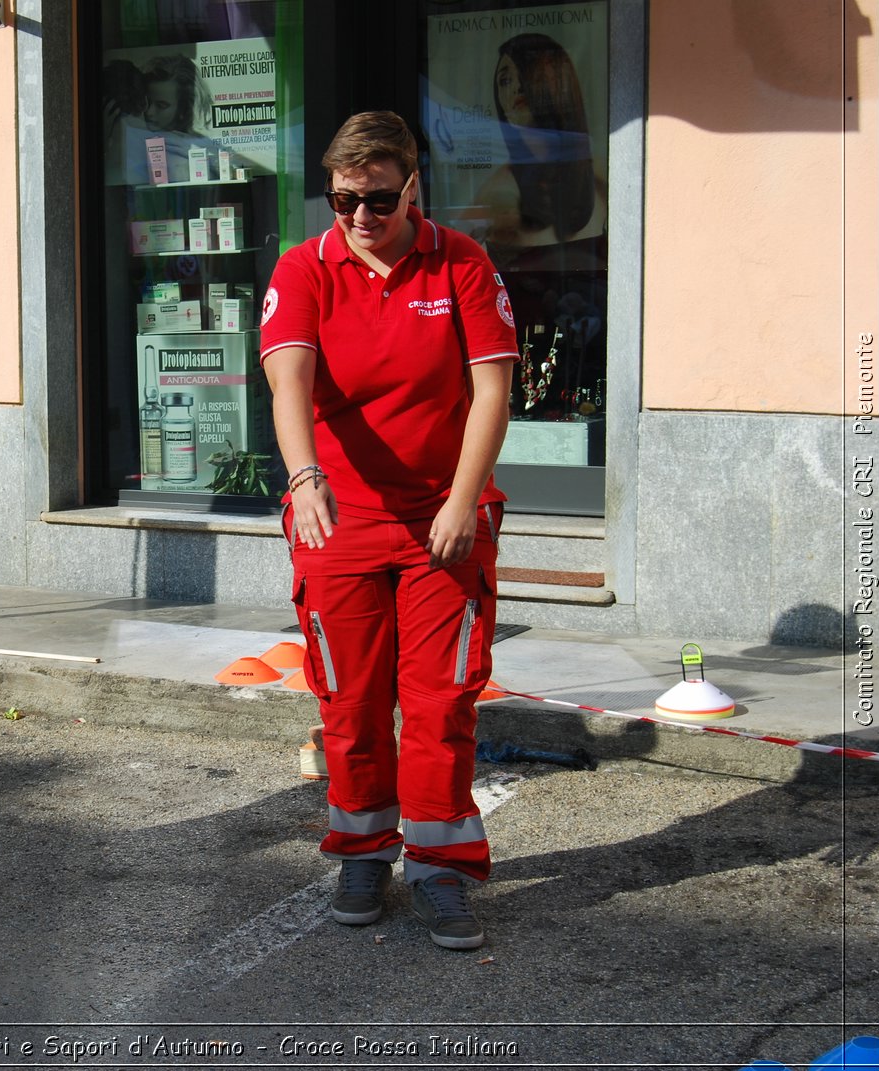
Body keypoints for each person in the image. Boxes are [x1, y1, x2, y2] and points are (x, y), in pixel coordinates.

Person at [259, 111, 517, 949]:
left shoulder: (462, 262)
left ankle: (441, 868)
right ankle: (363, 849)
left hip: (444, 518)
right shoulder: (305, 268)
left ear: (412, 187)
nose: (361, 218)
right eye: (342, 200)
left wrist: (462, 499)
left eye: (377, 199)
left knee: (442, 701)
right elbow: (287, 384)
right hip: (341, 525)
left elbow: (491, 391)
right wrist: (305, 480)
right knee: (352, 699)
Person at [476, 32, 606, 263]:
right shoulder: (499, 188)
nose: (517, 88)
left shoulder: (601, 181)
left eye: (530, 76)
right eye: (505, 80)